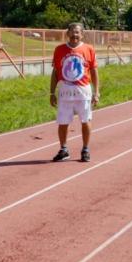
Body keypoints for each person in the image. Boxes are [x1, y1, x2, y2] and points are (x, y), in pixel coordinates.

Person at [49, 22, 99, 163]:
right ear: (67, 33)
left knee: (85, 120)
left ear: (82, 34)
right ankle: (63, 149)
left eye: (77, 32)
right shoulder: (59, 50)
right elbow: (55, 72)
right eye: (72, 32)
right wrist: (52, 93)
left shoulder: (88, 49)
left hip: (83, 91)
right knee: (63, 122)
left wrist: (97, 92)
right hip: (65, 91)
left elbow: (94, 71)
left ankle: (85, 149)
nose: (74, 35)